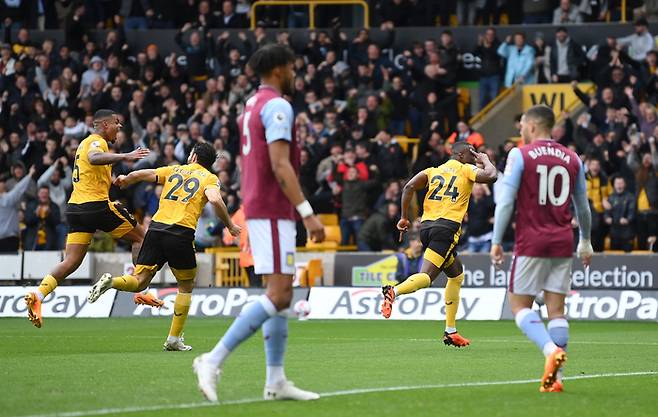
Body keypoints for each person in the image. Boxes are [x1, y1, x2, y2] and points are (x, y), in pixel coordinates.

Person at [193, 44, 325, 403]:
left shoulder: (250, 105)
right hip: (272, 207)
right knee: (280, 294)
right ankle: (212, 358)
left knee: (281, 294)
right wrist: (308, 212)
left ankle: (276, 381)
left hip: (259, 204)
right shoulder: (278, 105)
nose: (296, 75)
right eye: (293, 68)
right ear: (281, 69)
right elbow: (280, 165)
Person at [88, 142, 241, 351]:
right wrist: (230, 225)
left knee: (140, 281)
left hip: (156, 230)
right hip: (181, 233)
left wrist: (126, 178)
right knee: (186, 286)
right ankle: (173, 338)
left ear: (194, 157)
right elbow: (215, 199)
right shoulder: (210, 178)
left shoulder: (174, 169)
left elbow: (146, 173)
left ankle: (111, 282)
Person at [490, 104, 593, 393]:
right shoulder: (573, 158)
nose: (520, 129)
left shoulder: (520, 154)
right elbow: (582, 208)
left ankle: (551, 351)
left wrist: (497, 241)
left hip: (531, 241)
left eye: (522, 124)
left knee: (519, 306)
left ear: (533, 126)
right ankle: (556, 379)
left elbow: (507, 202)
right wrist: (585, 240)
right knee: (556, 311)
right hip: (562, 241)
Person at [23, 109, 150, 329]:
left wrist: (113, 179)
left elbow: (91, 170)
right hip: (96, 207)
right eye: (116, 123)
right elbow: (94, 157)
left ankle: (38, 295)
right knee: (141, 237)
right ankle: (140, 289)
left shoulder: (83, 145)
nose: (119, 128)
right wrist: (126, 156)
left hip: (76, 209)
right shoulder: (96, 142)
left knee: (71, 261)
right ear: (104, 124)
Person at [382, 141, 497, 347]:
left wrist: (404, 218)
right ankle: (394, 291)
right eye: (471, 153)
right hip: (447, 229)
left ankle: (451, 331)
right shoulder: (466, 169)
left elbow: (409, 186)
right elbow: (491, 176)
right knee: (427, 277)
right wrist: (486, 160)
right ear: (461, 155)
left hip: (427, 229)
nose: (475, 157)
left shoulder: (432, 171)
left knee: (456, 275)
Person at [0, 166, 36, 252]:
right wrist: (30, 175)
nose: (3, 183)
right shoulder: (7, 200)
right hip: (8, 240)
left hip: (9, 240)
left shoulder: (7, 198)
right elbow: (18, 189)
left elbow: (18, 189)